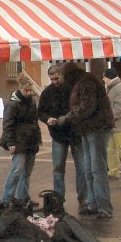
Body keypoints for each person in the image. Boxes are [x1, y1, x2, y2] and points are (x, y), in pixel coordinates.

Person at [53, 61, 114, 219]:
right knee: (89, 169)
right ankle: (93, 204)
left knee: (97, 169)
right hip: (87, 129)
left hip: (97, 128)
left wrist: (67, 117)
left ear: (69, 75)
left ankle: (104, 207)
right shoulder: (82, 82)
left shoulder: (87, 82)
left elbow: (87, 107)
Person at [37, 63, 87, 208]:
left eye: (56, 78)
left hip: (75, 133)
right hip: (58, 134)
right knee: (58, 168)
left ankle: (83, 197)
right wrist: (47, 119)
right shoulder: (47, 92)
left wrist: (66, 118)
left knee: (82, 167)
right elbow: (41, 112)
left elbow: (79, 108)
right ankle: (59, 199)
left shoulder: (72, 89)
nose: (54, 82)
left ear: (62, 75)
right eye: (51, 79)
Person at [0, 73, 41, 207]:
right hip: (19, 141)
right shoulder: (13, 104)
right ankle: (6, 199)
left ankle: (23, 197)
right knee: (17, 170)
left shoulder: (32, 102)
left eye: (30, 91)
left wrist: (38, 138)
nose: (28, 93)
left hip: (31, 140)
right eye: (26, 90)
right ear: (20, 88)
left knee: (27, 172)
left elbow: (34, 121)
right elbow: (8, 124)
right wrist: (10, 143)